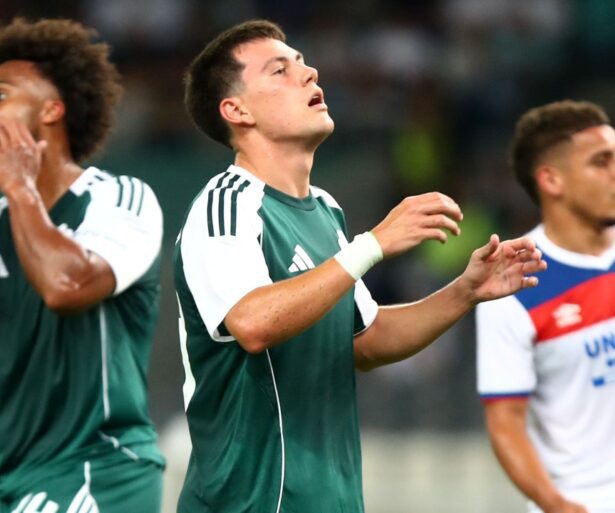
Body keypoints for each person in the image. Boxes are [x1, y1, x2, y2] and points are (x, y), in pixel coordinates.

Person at [174, 19, 547, 512]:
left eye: (303, 62)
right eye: (280, 70)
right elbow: (251, 321)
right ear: (236, 110)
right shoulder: (226, 205)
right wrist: (371, 245)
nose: (309, 73)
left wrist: (465, 291)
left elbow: (366, 340)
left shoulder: (325, 211)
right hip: (249, 502)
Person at [0, 18, 165, 513]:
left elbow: (66, 286)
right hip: (14, 480)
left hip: (99, 469)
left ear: (52, 109)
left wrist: (21, 188)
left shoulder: (119, 199)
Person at [476, 100, 615, 513]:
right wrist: (554, 503)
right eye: (601, 162)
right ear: (552, 180)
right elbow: (506, 423)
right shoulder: (516, 287)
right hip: (586, 501)